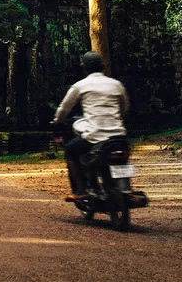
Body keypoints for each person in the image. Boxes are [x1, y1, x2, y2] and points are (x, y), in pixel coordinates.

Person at [52, 51, 129, 196]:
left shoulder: (81, 85)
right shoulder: (116, 84)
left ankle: (81, 190)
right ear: (102, 67)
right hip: (119, 136)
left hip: (95, 136)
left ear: (85, 69)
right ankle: (123, 187)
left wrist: (57, 120)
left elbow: (64, 108)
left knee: (70, 150)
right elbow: (124, 108)